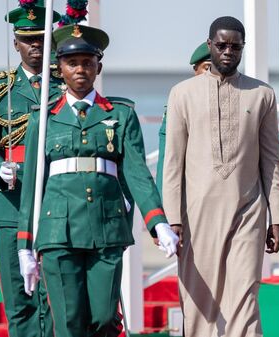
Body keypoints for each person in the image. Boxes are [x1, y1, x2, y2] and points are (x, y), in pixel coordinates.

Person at [16, 23, 178, 337]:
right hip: (57, 233)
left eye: (87, 63)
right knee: (69, 321)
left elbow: (136, 174)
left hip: (105, 230)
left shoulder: (120, 114)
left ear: (98, 67)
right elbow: (32, 188)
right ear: (59, 67)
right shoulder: (43, 117)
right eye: (72, 63)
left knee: (104, 318)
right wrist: (25, 246)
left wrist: (158, 222)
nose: (80, 69)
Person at [163, 16, 279, 337]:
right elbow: (173, 161)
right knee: (200, 302)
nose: (228, 52)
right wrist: (173, 218)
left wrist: (278, 218)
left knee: (245, 294)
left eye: (235, 46)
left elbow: (272, 159)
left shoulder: (262, 94)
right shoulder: (182, 94)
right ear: (209, 46)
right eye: (222, 45)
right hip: (196, 215)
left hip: (249, 210)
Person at [0, 2, 62, 336]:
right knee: (19, 303)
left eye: (42, 37)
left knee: (55, 299)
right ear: (16, 44)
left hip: (53, 201)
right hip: (10, 206)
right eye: (28, 39)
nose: (36, 45)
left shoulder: (65, 85)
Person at [155, 42, 279, 194]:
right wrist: (164, 214)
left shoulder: (243, 101)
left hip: (238, 197)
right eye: (208, 68)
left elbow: (272, 137)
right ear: (195, 70)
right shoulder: (180, 106)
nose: (215, 73)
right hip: (196, 200)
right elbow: (167, 162)